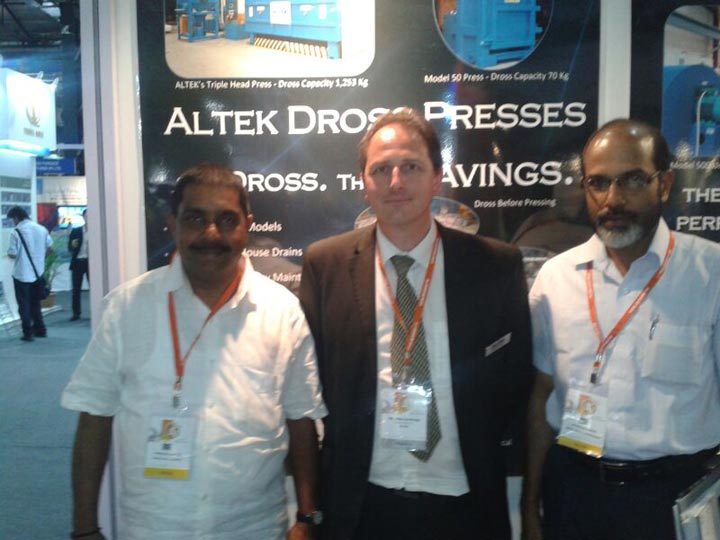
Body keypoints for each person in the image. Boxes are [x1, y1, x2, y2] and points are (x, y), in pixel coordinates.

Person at [299, 108, 533, 540]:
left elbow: (515, 380)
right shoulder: (325, 265)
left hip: (465, 503)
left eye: (411, 167)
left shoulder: (495, 266)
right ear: (363, 183)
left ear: (437, 178)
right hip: (362, 505)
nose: (396, 182)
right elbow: (313, 386)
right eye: (381, 169)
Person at [62, 163, 326, 540]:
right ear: (173, 224)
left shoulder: (282, 312)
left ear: (247, 225)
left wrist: (307, 516)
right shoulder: (127, 308)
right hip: (153, 528)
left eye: (227, 219)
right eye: (195, 219)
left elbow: (300, 421)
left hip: (254, 527)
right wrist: (84, 529)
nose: (211, 233)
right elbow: (94, 418)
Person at [521, 119, 720, 540]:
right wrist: (530, 505)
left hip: (675, 501)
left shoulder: (710, 274)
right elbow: (540, 397)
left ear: (664, 184)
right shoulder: (555, 279)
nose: (613, 199)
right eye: (598, 182)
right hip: (575, 495)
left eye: (632, 180)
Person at [6, 206, 53, 341]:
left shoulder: (16, 232)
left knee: (23, 305)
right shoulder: (41, 229)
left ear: (16, 217)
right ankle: (41, 329)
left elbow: (13, 253)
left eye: (12, 220)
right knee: (35, 303)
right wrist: (39, 259)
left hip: (21, 274)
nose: (12, 223)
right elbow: (50, 249)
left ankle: (27, 332)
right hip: (38, 273)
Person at [68, 208, 89, 321]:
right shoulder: (76, 231)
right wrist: (72, 245)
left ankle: (96, 311)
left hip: (91, 263)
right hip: (78, 262)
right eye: (86, 216)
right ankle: (76, 313)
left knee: (94, 288)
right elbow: (69, 248)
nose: (88, 218)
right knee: (76, 289)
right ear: (83, 217)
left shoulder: (96, 232)